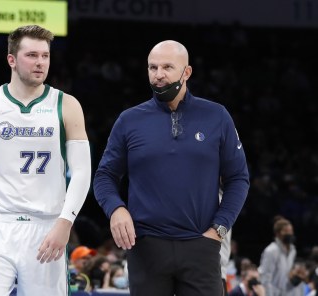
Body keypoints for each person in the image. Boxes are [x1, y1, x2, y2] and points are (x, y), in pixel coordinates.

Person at [93, 40, 250, 296]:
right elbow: (104, 176)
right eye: (152, 67)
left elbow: (239, 178)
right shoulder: (129, 120)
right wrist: (116, 209)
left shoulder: (216, 116)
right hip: (146, 248)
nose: (159, 75)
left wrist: (219, 228)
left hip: (201, 246)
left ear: (186, 72)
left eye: (167, 67)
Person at [0, 24, 91, 296]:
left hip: (47, 226)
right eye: (32, 55)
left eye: (45, 56)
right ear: (11, 60)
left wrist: (66, 222)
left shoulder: (67, 105)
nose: (40, 62)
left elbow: (83, 172)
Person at [259, 216, 307, 295]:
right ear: (278, 233)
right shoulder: (271, 251)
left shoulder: (293, 250)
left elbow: (286, 275)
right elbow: (265, 278)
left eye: (291, 231)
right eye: (286, 231)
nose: (290, 234)